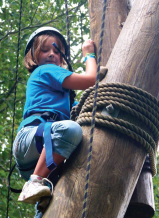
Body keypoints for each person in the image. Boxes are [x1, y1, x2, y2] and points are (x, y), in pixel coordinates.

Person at [13, 26, 97, 206]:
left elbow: (83, 111)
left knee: (54, 202)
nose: (51, 54)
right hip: (32, 139)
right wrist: (89, 55)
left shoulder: (65, 99)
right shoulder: (45, 71)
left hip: (41, 153)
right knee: (72, 130)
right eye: (44, 50)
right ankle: (34, 182)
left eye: (56, 51)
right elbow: (91, 80)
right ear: (33, 55)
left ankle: (41, 193)